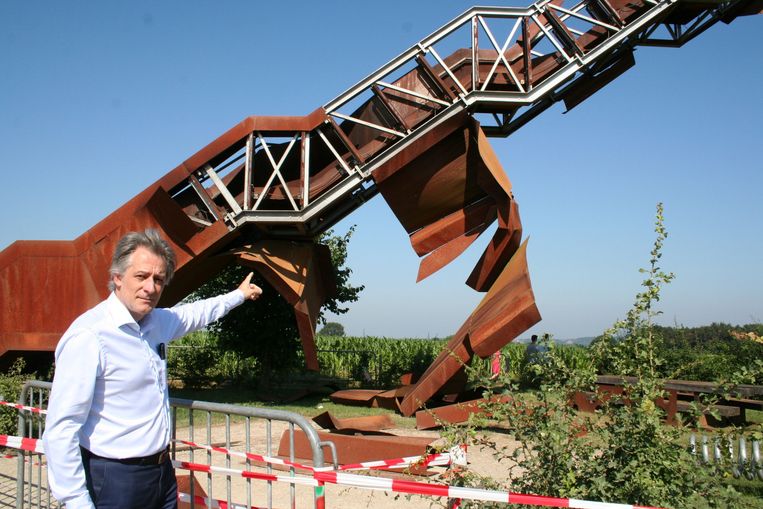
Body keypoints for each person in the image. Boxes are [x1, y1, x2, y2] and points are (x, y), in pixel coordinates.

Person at [42, 229, 263, 509]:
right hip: (116, 479)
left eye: (159, 279)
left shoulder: (157, 322)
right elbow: (62, 428)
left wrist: (239, 295)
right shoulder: (89, 336)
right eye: (141, 276)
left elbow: (197, 313)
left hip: (162, 474)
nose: (150, 287)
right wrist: (76, 501)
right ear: (117, 278)